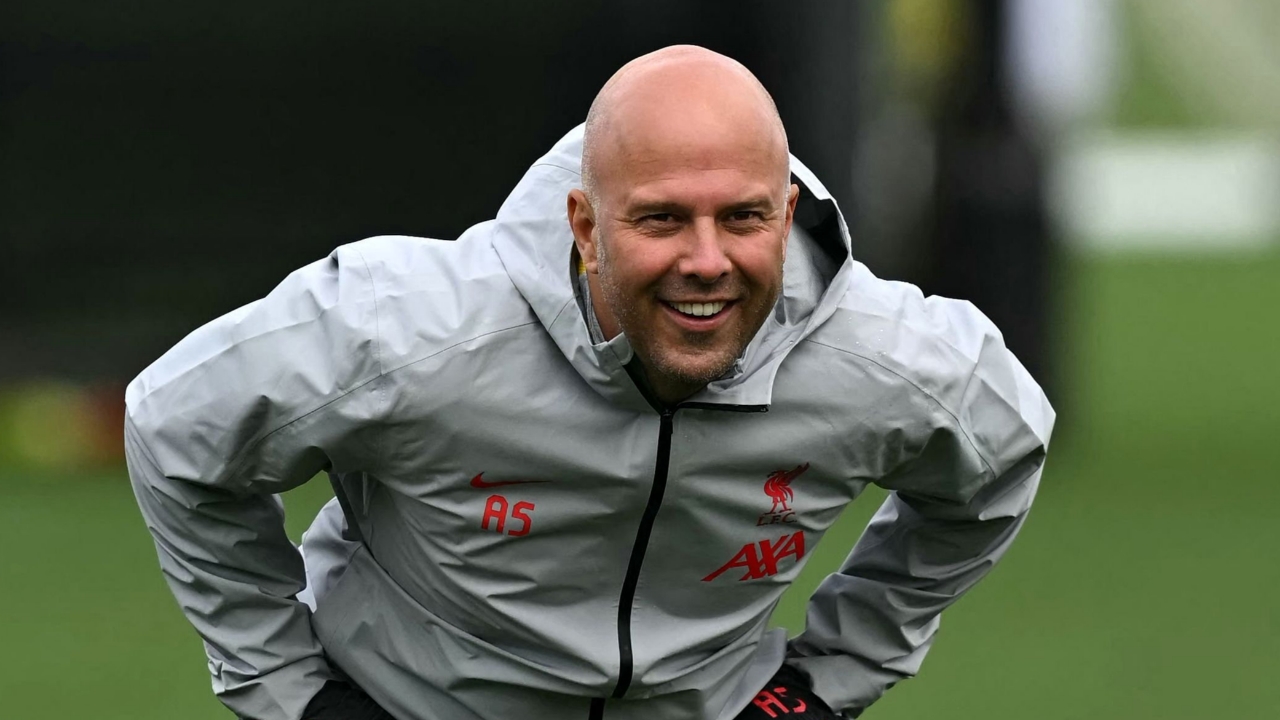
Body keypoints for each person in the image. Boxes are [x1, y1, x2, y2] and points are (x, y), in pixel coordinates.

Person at [125, 46, 1054, 720]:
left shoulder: (882, 354)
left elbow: (1004, 454)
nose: (707, 261)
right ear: (584, 225)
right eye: (662, 220)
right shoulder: (405, 324)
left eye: (742, 218)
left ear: (786, 214)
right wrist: (297, 696)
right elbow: (175, 428)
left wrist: (823, 684)